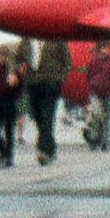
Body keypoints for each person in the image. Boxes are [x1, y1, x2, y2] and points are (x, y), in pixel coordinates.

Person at [19, 37, 71, 165]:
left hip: (51, 85)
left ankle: (44, 151)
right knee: (38, 118)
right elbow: (17, 58)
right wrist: (15, 74)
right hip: (33, 84)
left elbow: (67, 63)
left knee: (47, 118)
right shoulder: (26, 40)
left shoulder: (56, 40)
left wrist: (59, 79)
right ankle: (51, 147)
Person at [82, 41, 110, 152]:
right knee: (96, 116)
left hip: (109, 93)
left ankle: (105, 142)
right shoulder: (93, 62)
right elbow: (88, 75)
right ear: (99, 50)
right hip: (96, 93)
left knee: (106, 118)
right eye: (102, 48)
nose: (104, 50)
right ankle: (95, 139)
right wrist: (92, 85)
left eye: (106, 48)